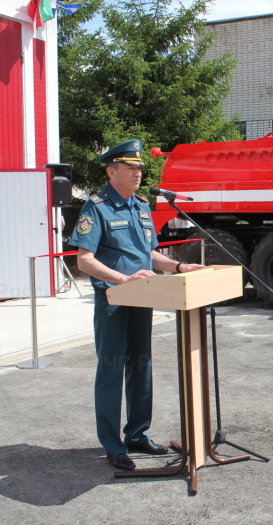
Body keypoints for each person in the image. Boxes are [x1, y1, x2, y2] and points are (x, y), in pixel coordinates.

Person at [69, 139, 205, 471]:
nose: (138, 174)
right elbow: (84, 260)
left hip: (144, 298)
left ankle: (137, 435)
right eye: (130, 168)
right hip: (114, 301)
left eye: (140, 169)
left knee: (141, 367)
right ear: (111, 170)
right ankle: (113, 445)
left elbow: (149, 254)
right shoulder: (96, 207)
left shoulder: (141, 206)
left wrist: (177, 267)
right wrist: (120, 279)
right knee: (112, 370)